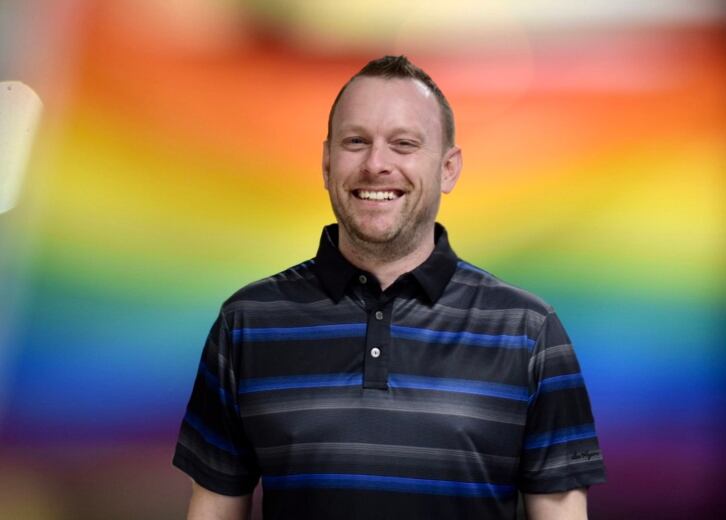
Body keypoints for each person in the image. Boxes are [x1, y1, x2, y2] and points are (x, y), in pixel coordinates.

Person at [173, 55, 606, 520]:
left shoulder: (530, 333)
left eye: (403, 144)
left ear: (448, 169)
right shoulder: (247, 323)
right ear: (326, 162)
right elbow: (213, 509)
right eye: (356, 141)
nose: (376, 164)